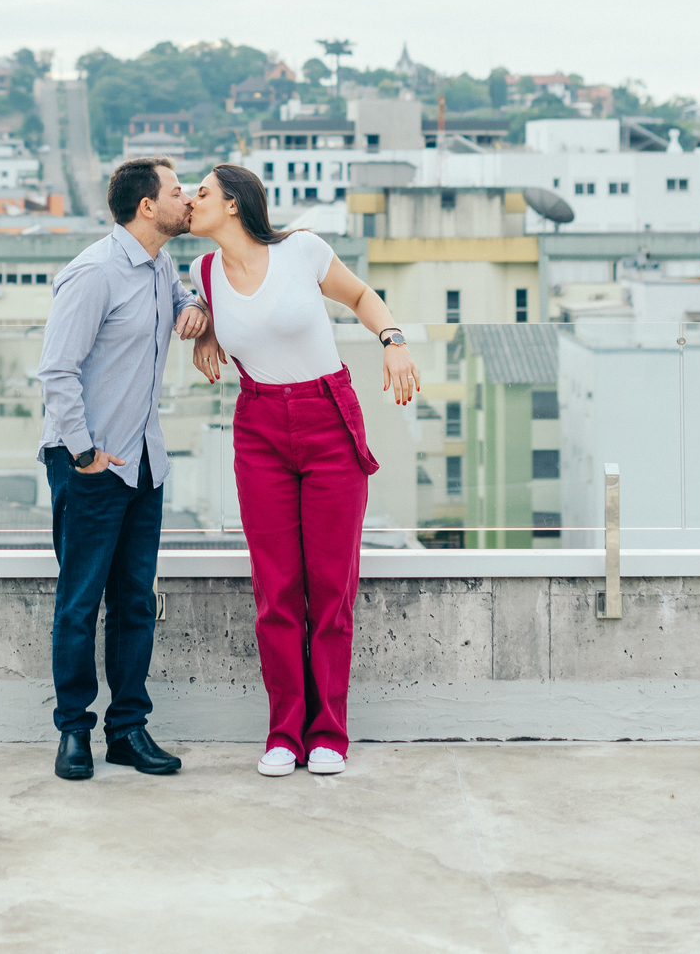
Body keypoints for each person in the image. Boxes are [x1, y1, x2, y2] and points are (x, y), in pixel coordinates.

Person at [189, 164, 419, 777]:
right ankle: (284, 732)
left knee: (330, 585)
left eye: (202, 192)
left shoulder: (302, 250)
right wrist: (204, 332)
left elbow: (362, 296)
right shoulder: (202, 272)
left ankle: (329, 733)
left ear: (234, 204)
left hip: (327, 418)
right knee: (276, 590)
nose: (190, 199)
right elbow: (223, 319)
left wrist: (393, 341)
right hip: (259, 424)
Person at [38, 157, 207, 781]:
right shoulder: (93, 274)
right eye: (177, 191)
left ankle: (128, 731)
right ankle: (73, 732)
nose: (186, 200)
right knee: (80, 605)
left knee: (135, 602)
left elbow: (180, 297)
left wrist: (195, 308)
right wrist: (84, 452)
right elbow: (56, 371)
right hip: (89, 465)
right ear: (146, 207)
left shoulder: (160, 264)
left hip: (142, 463)